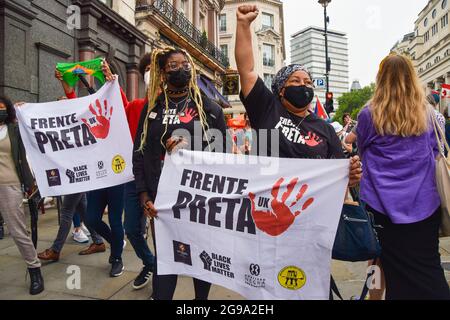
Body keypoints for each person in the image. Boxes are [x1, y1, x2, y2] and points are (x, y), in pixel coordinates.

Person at [133, 47, 228, 300]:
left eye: (185, 64)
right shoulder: (152, 110)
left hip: (198, 199)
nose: (181, 69)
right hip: (161, 201)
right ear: (163, 73)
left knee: (200, 255)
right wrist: (144, 195)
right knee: (167, 257)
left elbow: (222, 155)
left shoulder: (209, 109)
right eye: (173, 66)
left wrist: (191, 146)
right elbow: (139, 154)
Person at [357, 53, 450, 300]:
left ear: (380, 78)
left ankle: (374, 296)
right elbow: (435, 151)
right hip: (425, 205)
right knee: (428, 265)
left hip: (382, 208)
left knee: (381, 262)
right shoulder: (430, 114)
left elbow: (362, 149)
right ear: (413, 77)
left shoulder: (368, 114)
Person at [235, 5, 361, 185]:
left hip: (309, 208)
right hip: (267, 205)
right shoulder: (267, 109)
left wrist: (351, 177)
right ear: (281, 89)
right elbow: (246, 70)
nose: (303, 85)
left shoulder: (325, 130)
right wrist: (243, 24)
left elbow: (338, 177)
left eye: (308, 82)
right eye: (295, 81)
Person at [37, 72, 107, 263]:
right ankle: (99, 240)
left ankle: (56, 249)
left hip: (78, 172)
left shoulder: (78, 119)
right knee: (83, 210)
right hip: (73, 172)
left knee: (67, 210)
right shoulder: (63, 125)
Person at [0, 95, 44, 295]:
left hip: (8, 185)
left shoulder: (14, 130)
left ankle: (35, 270)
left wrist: (29, 184)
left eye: (2, 108)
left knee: (18, 231)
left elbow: (23, 160)